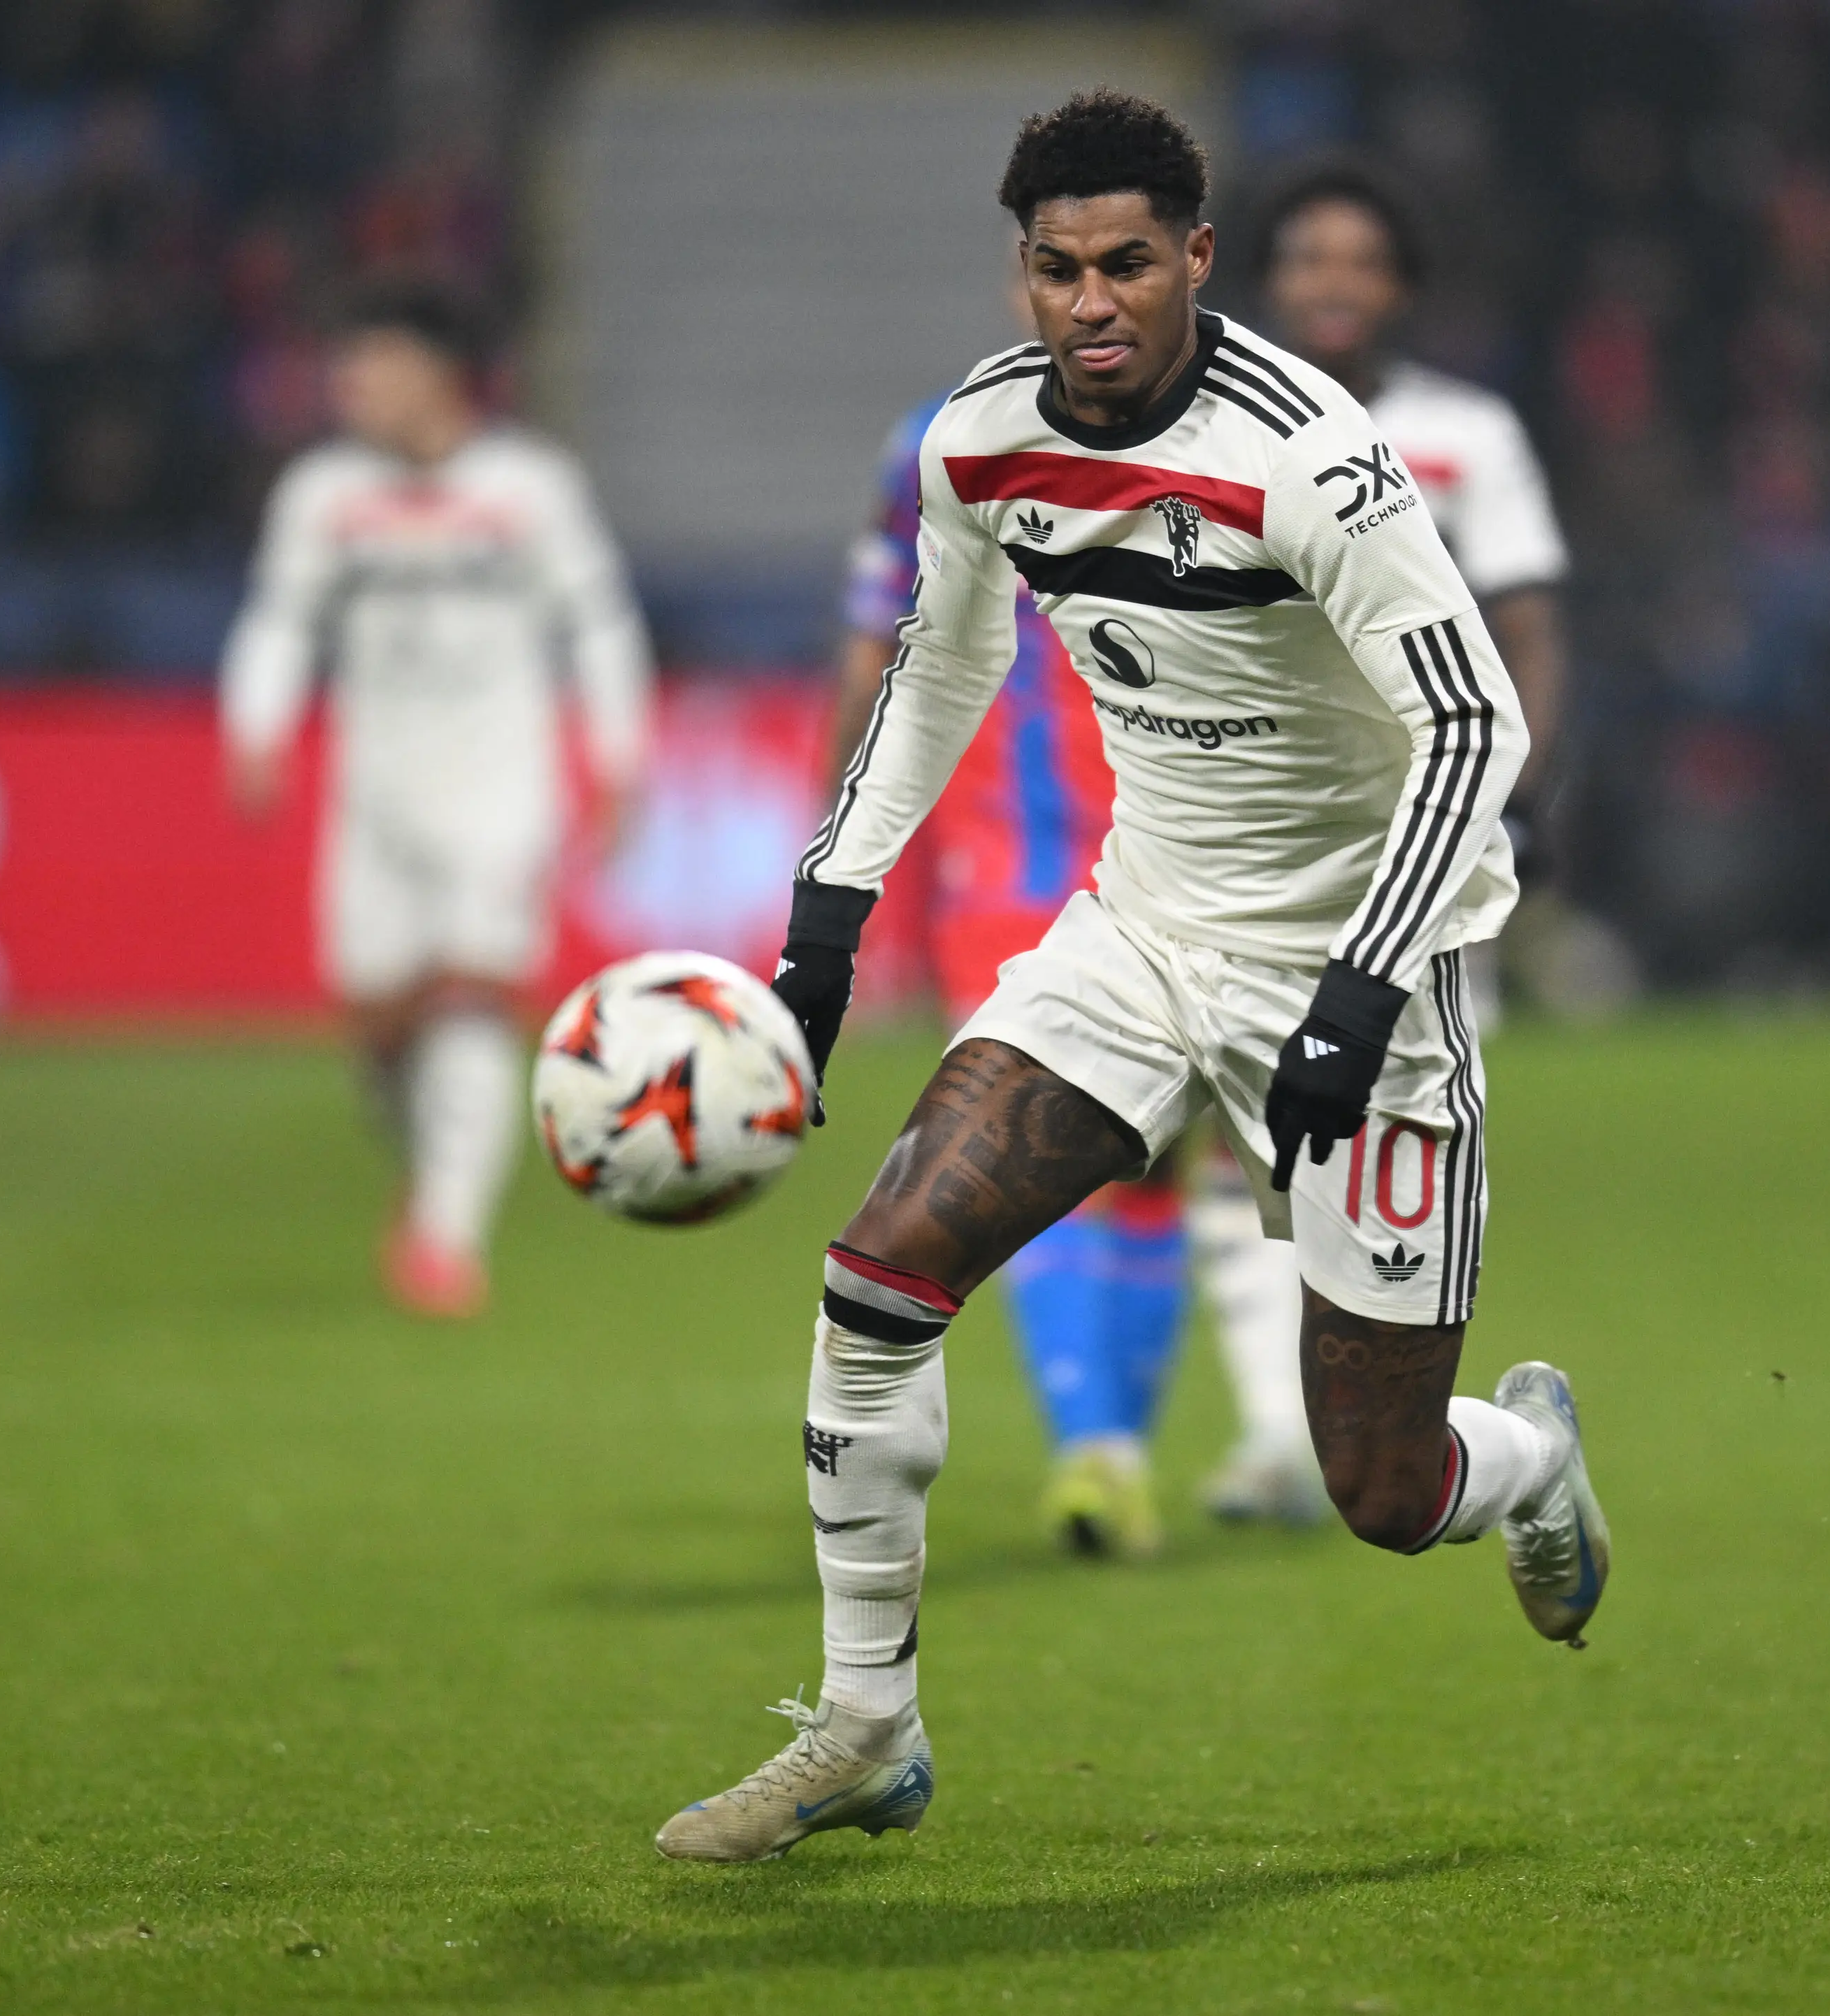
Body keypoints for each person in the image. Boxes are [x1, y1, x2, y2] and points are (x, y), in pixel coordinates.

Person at [656, 92, 1607, 1864]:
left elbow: (1474, 725)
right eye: (1055, 268)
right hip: (1141, 937)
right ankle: (864, 1725)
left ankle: (1533, 1462)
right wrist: (826, 924)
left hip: (1359, 965)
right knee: (878, 1276)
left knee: (1381, 1487)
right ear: (1022, 272)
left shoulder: (1309, 455)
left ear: (1196, 260)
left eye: (1126, 264)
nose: (1089, 302)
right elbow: (938, 674)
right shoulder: (979, 441)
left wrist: (1363, 990)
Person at [1189, 158, 1576, 1528]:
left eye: (1362, 260)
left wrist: (1517, 794)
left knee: (1375, 1152)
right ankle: (1278, 1437)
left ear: (1402, 286)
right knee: (1237, 1143)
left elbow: (1527, 628)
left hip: (1422, 840)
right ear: (1267, 276)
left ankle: (1413, 1436)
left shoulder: (1467, 434)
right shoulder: (1214, 427)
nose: (1334, 283)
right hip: (1265, 841)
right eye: (1310, 258)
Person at [220, 285, 651, 1318]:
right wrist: (256, 726)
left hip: (501, 786)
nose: (351, 386)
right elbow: (281, 619)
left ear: (439, 374)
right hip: (376, 794)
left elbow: (598, 623)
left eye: (373, 364)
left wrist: (618, 758)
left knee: (471, 995)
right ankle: (430, 1173)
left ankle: (445, 1238)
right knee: (381, 1025)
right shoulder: (323, 494)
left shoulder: (530, 487)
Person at [832, 387, 1188, 1559]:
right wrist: (845, 841)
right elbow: (879, 645)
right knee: (1030, 1147)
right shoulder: (940, 444)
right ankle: (1096, 1446)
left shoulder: (1233, 432)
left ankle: (1116, 1450)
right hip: (1010, 858)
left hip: (1182, 851)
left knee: (1155, 1161)